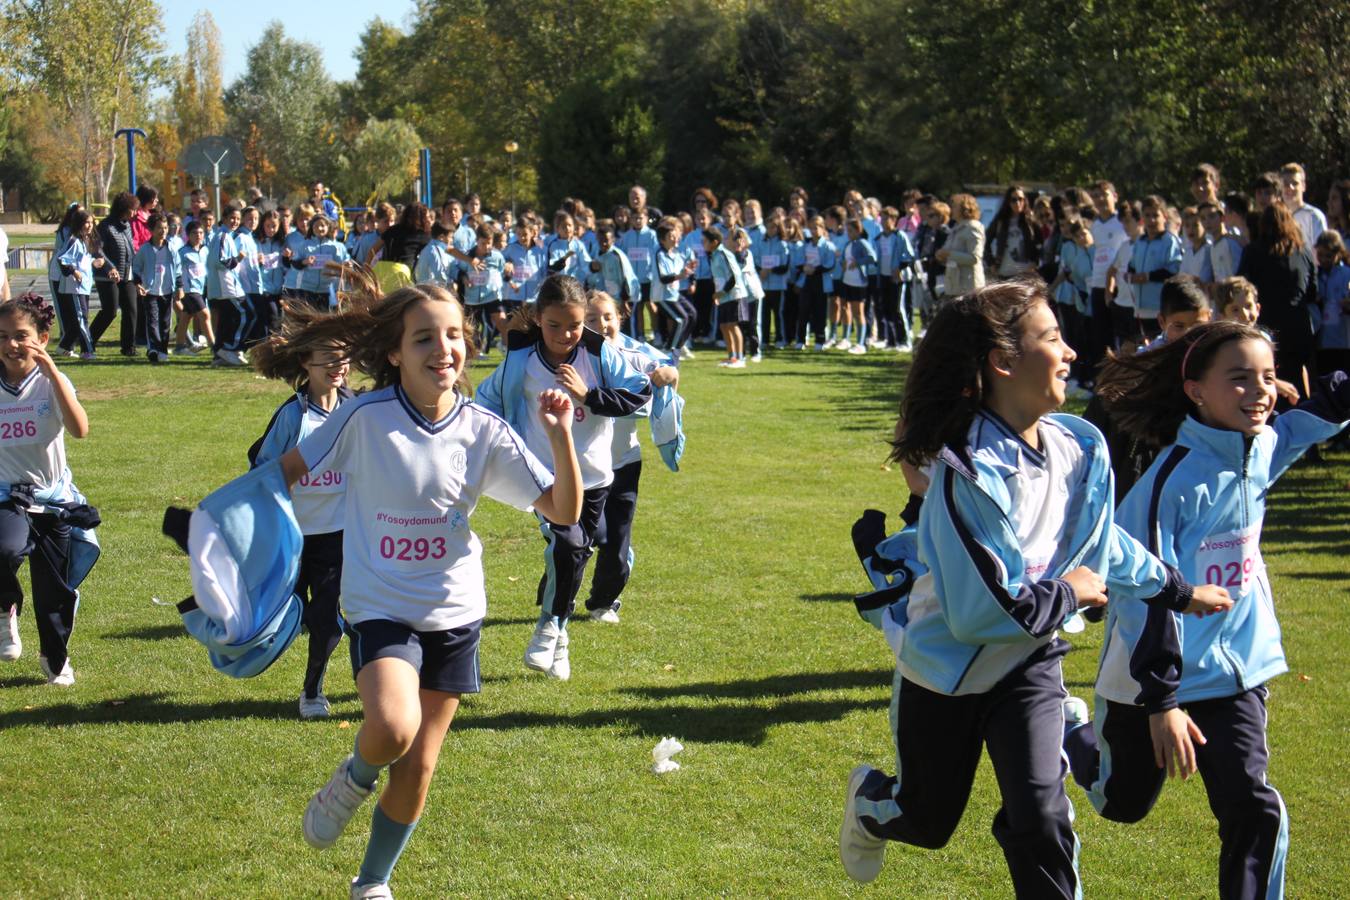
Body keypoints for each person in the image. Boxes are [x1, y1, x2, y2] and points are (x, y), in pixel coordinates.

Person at [837, 278, 1230, 895]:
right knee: (928, 821)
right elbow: (977, 615)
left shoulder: (1078, 444)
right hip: (948, 669)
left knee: (1043, 818)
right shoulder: (968, 473)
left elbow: (1098, 546)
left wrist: (1176, 589)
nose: (1070, 351)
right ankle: (870, 802)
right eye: (1051, 338)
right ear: (1003, 361)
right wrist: (1071, 592)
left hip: (1031, 660)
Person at [268, 280, 579, 899]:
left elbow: (565, 510)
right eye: (425, 338)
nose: (444, 349)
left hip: (457, 613)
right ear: (394, 353)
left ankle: (372, 883)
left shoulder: (483, 429)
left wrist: (561, 433)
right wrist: (234, 535)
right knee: (391, 725)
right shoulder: (362, 416)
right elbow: (281, 474)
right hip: (381, 606)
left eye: (455, 335)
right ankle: (352, 779)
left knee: (419, 766)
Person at [1067, 321, 1349, 900]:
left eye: (1268, 377)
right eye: (1240, 379)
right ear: (1196, 389)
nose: (1261, 391)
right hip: (1149, 681)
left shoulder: (1261, 446)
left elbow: (1312, 419)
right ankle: (1074, 731)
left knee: (1251, 807)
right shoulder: (1167, 483)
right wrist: (1163, 701)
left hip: (1236, 672)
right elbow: (1143, 594)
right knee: (1121, 804)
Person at [476, 274, 651, 682]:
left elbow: (639, 392)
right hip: (539, 476)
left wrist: (589, 396)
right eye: (554, 325)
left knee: (578, 551)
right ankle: (548, 627)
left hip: (593, 476)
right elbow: (485, 402)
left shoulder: (598, 352)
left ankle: (560, 634)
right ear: (537, 319)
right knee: (568, 541)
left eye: (574, 325)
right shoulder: (520, 360)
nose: (565, 334)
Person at [250, 309, 354, 719]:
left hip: (339, 536)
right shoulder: (294, 416)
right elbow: (261, 471)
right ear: (305, 364)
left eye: (343, 356)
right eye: (326, 358)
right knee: (285, 615)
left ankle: (313, 689)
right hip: (291, 537)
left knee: (327, 617)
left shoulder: (358, 411)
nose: (337, 366)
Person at [0, 296, 94, 685]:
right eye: (2, 337)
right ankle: (5, 610)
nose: (11, 345)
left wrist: (54, 372)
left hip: (53, 500)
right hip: (7, 495)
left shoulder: (50, 381)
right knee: (4, 547)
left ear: (41, 337)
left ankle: (56, 659)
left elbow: (80, 429)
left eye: (21, 336)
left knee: (54, 593)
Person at [581, 292, 680, 623]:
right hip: (584, 466)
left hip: (625, 462)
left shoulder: (634, 352)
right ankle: (564, 578)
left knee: (617, 541)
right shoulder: (576, 357)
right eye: (592, 319)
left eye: (607, 316)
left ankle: (602, 603)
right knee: (592, 536)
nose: (601, 324)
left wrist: (667, 375)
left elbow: (665, 367)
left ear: (620, 317)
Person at [1238, 201, 1317, 400]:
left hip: (1268, 325)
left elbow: (1242, 286)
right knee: (1299, 376)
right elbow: (1313, 292)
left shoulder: (1253, 251)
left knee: (1269, 377)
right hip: (1298, 326)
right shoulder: (1304, 252)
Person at [90, 191, 139, 356]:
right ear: (124, 208)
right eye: (132, 209)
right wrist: (110, 267)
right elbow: (97, 250)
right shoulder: (105, 226)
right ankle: (88, 340)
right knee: (110, 311)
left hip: (127, 275)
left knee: (131, 308)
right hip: (107, 276)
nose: (134, 212)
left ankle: (128, 347)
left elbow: (130, 250)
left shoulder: (127, 226)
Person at [1126, 195, 1182, 340]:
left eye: (1155, 215)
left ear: (1164, 216)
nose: (1151, 220)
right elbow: (1131, 265)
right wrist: (1130, 275)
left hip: (1160, 308)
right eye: (1147, 215)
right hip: (1139, 308)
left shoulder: (1170, 241)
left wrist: (1147, 277)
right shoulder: (1140, 241)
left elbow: (1173, 271)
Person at [130, 213, 179, 364]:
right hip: (150, 290)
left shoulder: (171, 248)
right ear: (151, 229)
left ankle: (162, 349)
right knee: (152, 321)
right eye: (159, 228)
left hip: (167, 290)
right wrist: (138, 284)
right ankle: (154, 348)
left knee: (165, 323)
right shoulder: (145, 249)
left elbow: (178, 268)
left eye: (165, 228)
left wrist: (180, 287)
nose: (163, 231)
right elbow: (136, 268)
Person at [55, 209, 102, 359]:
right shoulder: (74, 240)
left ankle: (64, 347)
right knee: (82, 319)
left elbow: (83, 260)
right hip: (74, 287)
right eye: (86, 222)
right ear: (79, 223)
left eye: (91, 222)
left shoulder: (86, 241)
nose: (89, 225)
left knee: (80, 319)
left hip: (85, 287)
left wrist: (95, 262)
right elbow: (62, 259)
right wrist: (74, 271)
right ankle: (87, 350)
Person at [206, 205, 250, 367]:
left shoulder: (226, 235)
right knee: (244, 313)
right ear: (224, 218)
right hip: (225, 286)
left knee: (226, 319)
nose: (235, 221)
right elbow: (220, 261)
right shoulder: (223, 236)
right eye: (232, 218)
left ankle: (220, 353)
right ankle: (231, 348)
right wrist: (238, 259)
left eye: (238, 219)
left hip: (224, 286)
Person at [707, 226, 747, 368]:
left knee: (732, 324)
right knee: (724, 326)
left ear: (714, 241)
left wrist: (722, 292)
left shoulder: (724, 253)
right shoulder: (713, 255)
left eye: (705, 241)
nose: (703, 243)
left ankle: (740, 358)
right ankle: (732, 357)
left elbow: (733, 278)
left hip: (734, 294)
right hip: (723, 296)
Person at [174, 220, 214, 355]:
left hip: (202, 289)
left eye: (201, 233)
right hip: (189, 290)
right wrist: (178, 288)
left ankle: (179, 346)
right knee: (205, 314)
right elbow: (176, 270)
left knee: (186, 316)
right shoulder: (182, 252)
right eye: (194, 233)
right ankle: (214, 346)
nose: (198, 235)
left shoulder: (206, 250)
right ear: (188, 235)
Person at [936, 194, 985, 300]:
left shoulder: (973, 227)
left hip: (968, 288)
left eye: (954, 206)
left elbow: (974, 258)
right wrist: (941, 256)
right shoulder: (955, 228)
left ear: (965, 208)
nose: (951, 209)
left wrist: (949, 254)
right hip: (953, 286)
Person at [840, 218, 877, 355]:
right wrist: (842, 264)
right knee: (845, 308)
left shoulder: (862, 243)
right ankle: (846, 338)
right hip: (846, 280)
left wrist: (859, 262)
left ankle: (861, 343)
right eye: (847, 230)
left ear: (858, 230)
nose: (848, 233)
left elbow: (872, 257)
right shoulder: (848, 244)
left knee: (858, 312)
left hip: (858, 282)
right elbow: (843, 259)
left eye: (850, 230)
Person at [1315, 230, 1350, 373]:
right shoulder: (1316, 274)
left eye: (1328, 256)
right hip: (1322, 340)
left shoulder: (1346, 274)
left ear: (1338, 254)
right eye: (1320, 255)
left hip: (1343, 340)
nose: (1323, 260)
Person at [985, 185, 1039, 279]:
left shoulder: (1030, 221)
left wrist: (1035, 261)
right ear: (1008, 202)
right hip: (1005, 272)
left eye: (1020, 199)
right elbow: (985, 242)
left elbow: (1039, 243)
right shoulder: (1000, 221)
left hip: (1025, 274)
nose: (1017, 203)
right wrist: (991, 263)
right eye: (1013, 200)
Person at [1279, 162, 1326, 249]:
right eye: (1285, 184)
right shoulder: (1277, 216)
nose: (1290, 187)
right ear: (1280, 187)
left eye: (1295, 183)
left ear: (1303, 186)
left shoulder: (1314, 216)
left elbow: (1322, 252)